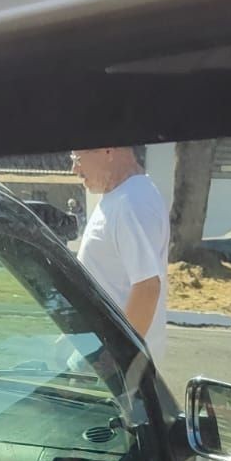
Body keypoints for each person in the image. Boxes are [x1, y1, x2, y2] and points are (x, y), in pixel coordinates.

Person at [71, 147, 169, 360]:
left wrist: (117, 358)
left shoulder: (132, 202)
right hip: (97, 351)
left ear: (107, 150)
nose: (74, 169)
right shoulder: (122, 196)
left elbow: (147, 287)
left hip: (111, 361)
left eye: (77, 158)